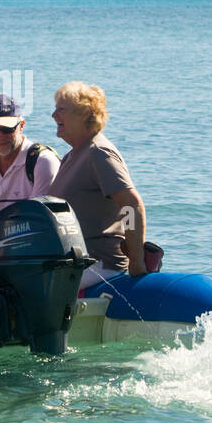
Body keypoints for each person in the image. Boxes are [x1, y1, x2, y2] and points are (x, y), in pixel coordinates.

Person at [48, 82, 148, 285]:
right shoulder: (72, 156)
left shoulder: (99, 152)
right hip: (73, 263)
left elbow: (130, 204)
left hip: (99, 266)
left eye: (61, 110)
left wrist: (136, 262)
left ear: (84, 114)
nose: (53, 115)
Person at [0, 94, 60, 215]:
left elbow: (39, 216)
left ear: (21, 126)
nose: (1, 136)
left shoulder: (43, 161)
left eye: (8, 129)